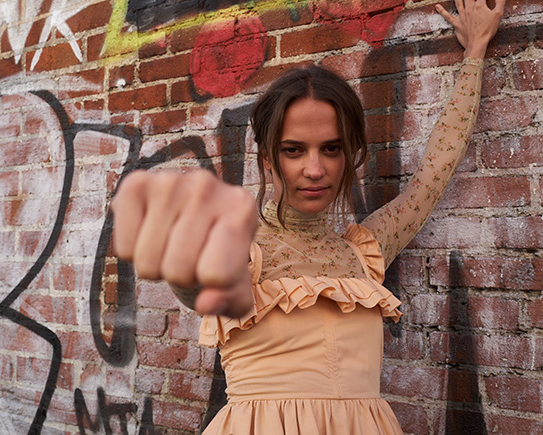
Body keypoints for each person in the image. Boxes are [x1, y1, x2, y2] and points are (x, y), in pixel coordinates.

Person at [111, 1, 505, 433]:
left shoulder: (365, 252)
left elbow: (433, 175)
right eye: (294, 150)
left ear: (349, 156)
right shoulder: (242, 250)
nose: (315, 169)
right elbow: (197, 283)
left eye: (331, 149)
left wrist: (475, 52)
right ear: (267, 159)